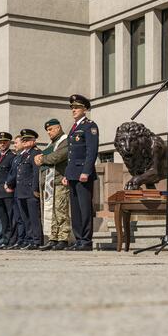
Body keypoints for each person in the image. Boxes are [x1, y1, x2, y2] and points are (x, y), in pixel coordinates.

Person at [62, 95, 99, 252]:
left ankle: (86, 240)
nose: (74, 110)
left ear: (85, 109)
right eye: (72, 108)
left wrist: (86, 171)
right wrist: (67, 174)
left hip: (83, 173)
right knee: (75, 209)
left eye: (76, 107)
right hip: (72, 173)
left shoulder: (89, 126)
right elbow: (71, 154)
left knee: (84, 208)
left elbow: (92, 151)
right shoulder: (74, 128)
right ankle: (78, 239)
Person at [35, 118, 71, 251]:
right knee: (51, 212)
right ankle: (53, 238)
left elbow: (58, 156)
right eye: (47, 130)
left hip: (59, 180)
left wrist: (42, 159)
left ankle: (63, 238)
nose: (49, 132)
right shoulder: (51, 143)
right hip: (50, 183)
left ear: (58, 128)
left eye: (50, 129)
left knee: (61, 210)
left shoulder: (65, 140)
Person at [7, 129, 43, 250]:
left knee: (33, 217)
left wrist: (35, 189)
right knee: (25, 218)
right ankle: (29, 239)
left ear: (34, 140)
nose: (25, 141)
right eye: (24, 140)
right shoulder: (23, 155)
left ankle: (37, 240)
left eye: (28, 139)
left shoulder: (35, 153)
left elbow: (36, 173)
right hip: (21, 191)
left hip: (30, 191)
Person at [0, 132, 17, 249]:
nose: (2, 144)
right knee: (3, 218)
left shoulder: (11, 156)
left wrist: (9, 185)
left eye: (4, 142)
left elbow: (12, 173)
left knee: (11, 216)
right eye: (0, 142)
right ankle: (6, 240)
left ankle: (13, 240)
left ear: (9, 142)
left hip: (8, 191)